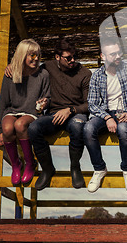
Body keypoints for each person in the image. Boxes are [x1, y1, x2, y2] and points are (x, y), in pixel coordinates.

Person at [26, 39, 92, 190]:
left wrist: (70, 110)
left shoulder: (85, 73)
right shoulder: (47, 68)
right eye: (68, 57)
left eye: (74, 56)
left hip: (75, 113)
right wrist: (11, 66)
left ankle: (75, 168)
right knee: (34, 129)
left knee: (77, 126)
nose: (72, 60)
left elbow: (89, 105)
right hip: (53, 114)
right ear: (57, 57)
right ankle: (48, 169)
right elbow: (28, 68)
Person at [84, 38, 127, 193]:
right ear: (102, 56)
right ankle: (99, 169)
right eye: (112, 54)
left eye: (119, 52)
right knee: (88, 128)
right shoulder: (97, 75)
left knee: (124, 130)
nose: (117, 56)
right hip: (105, 113)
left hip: (126, 111)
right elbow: (92, 103)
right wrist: (107, 118)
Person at [0, 39, 50, 186]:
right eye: (32, 55)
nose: (36, 58)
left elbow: (47, 98)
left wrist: (44, 104)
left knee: (20, 125)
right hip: (12, 110)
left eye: (38, 55)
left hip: (32, 112)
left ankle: (30, 163)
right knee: (7, 128)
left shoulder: (43, 74)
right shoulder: (10, 74)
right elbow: (3, 102)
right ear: (22, 55)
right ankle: (16, 165)